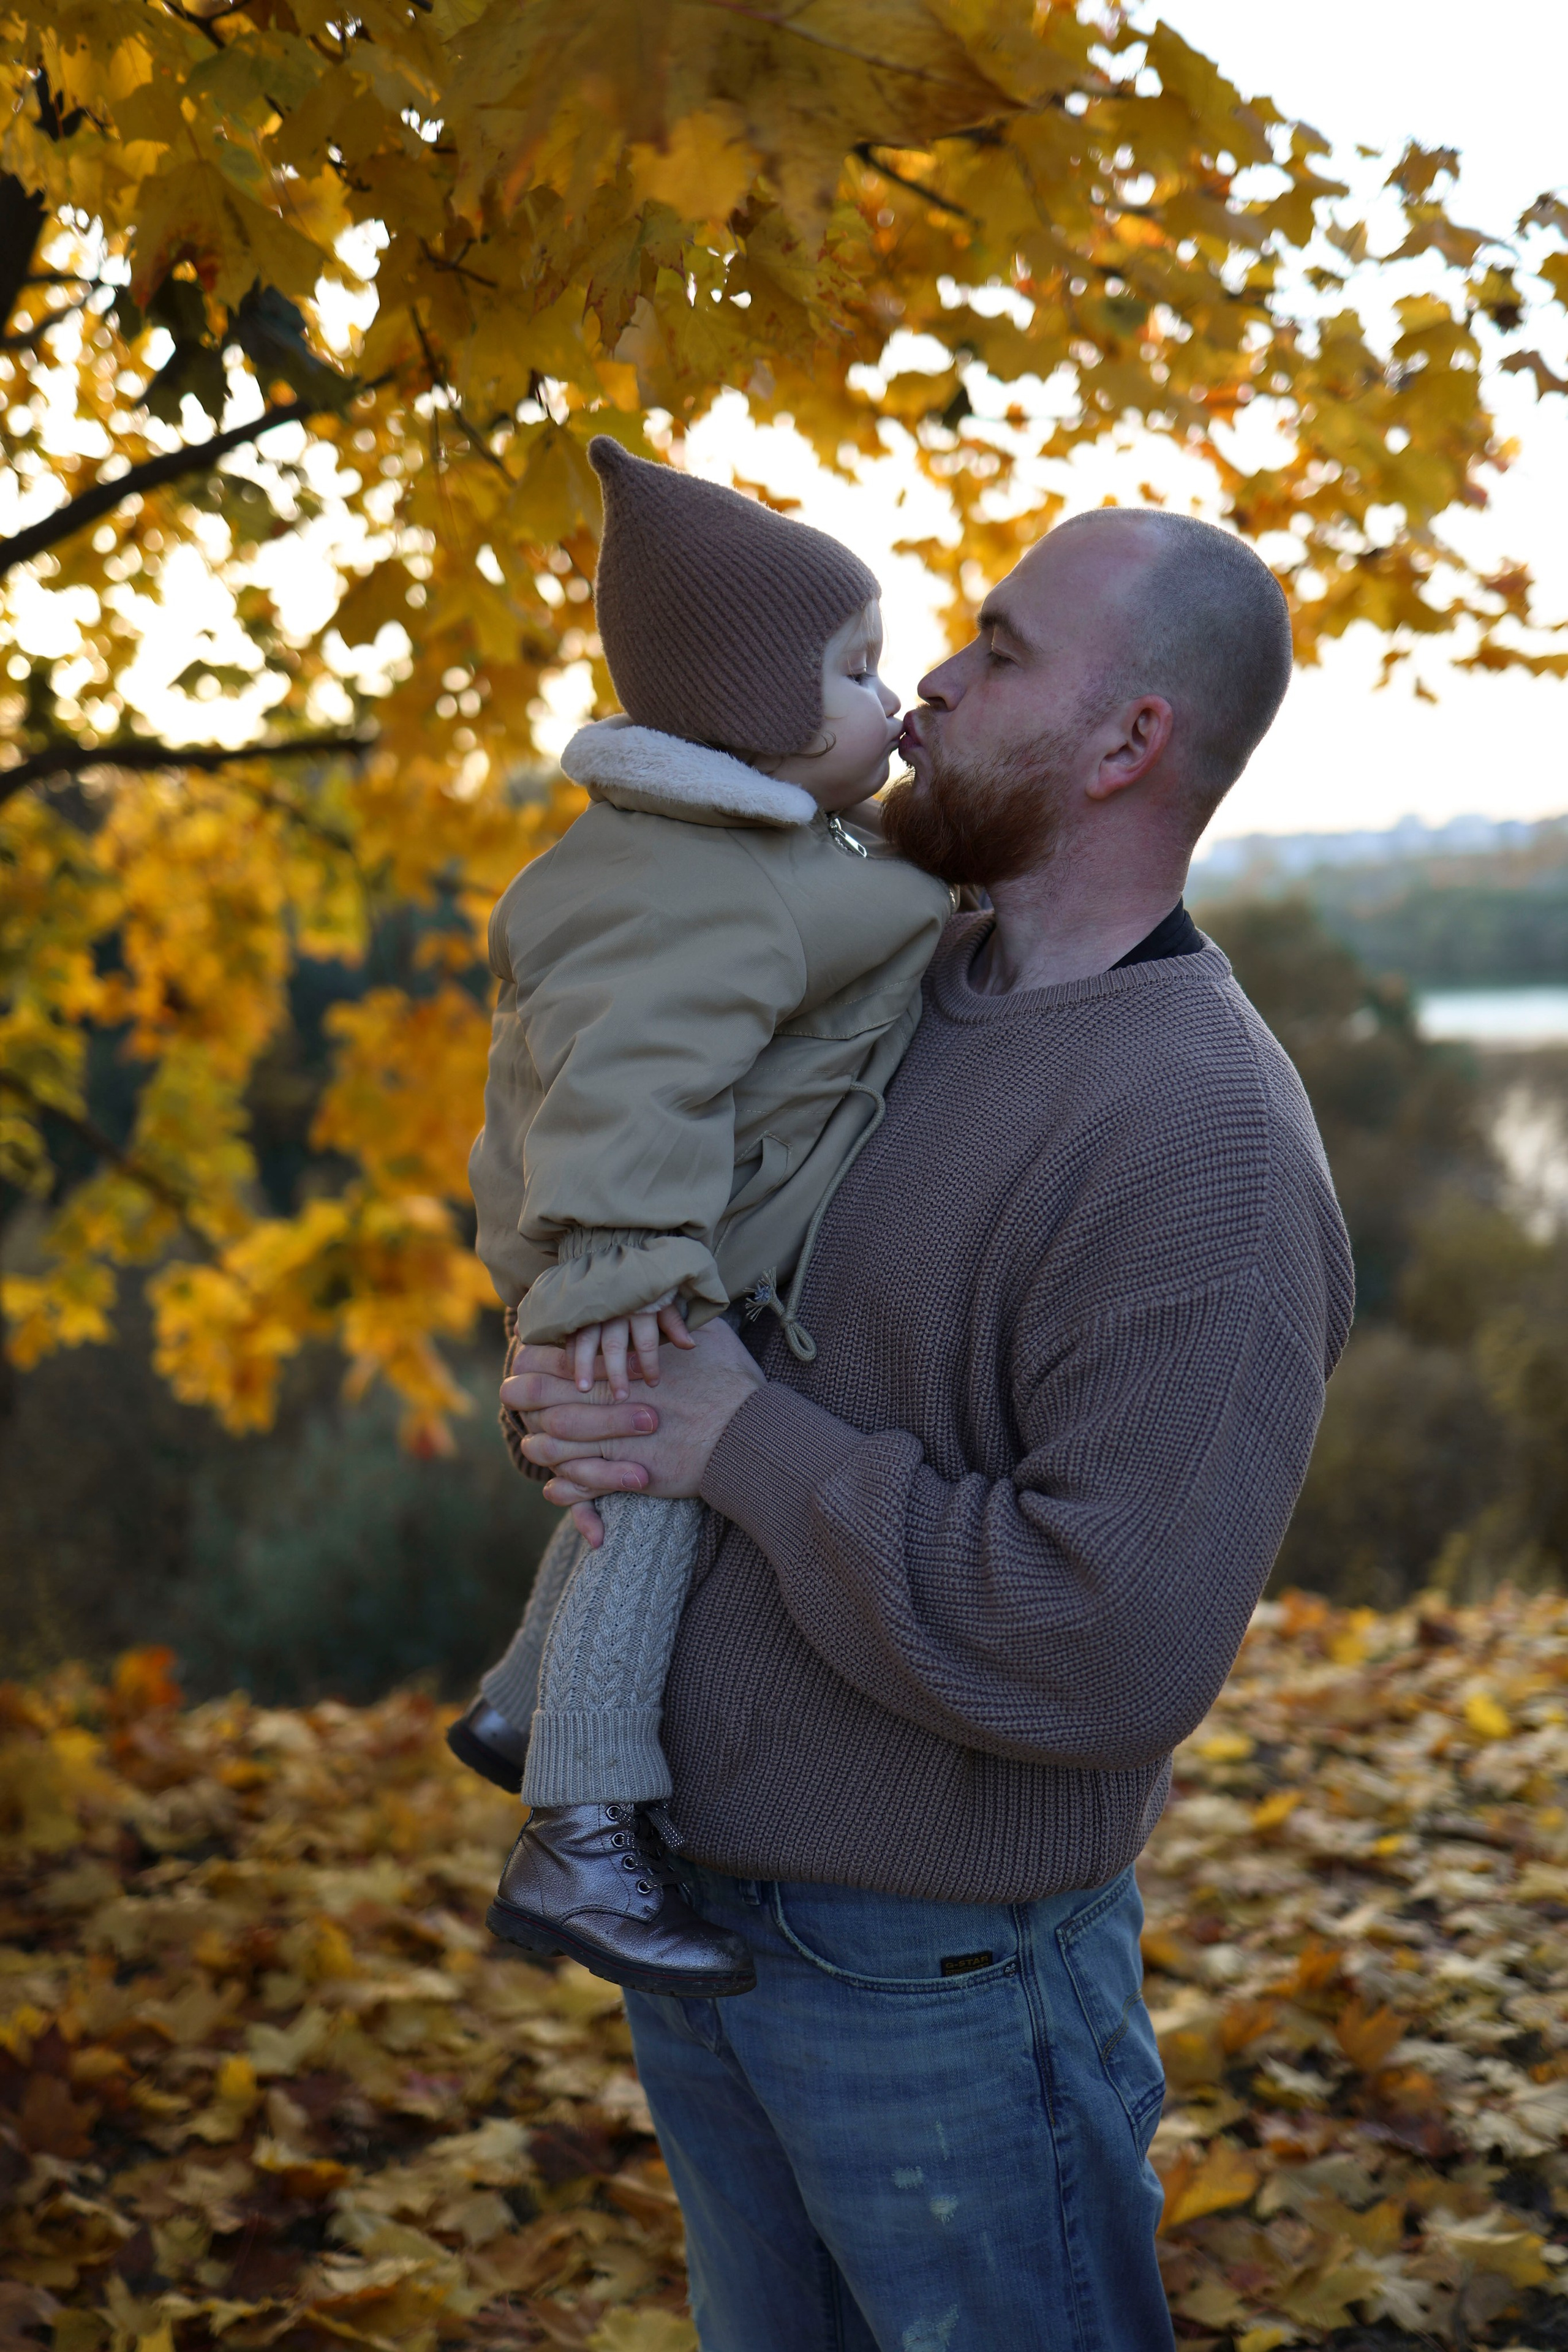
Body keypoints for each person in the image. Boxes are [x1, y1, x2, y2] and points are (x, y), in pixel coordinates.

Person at [498, 507, 1356, 2351]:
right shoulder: (891, 993)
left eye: (996, 648)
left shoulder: (1201, 1139)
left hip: (939, 1990)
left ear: (1128, 744)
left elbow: (1107, 1639)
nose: (934, 687)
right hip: (703, 1923)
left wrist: (740, 1441)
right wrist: (596, 1389)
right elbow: (685, 1280)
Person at [460, 438, 952, 1999]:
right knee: (652, 1508)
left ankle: (522, 1700)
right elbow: (620, 1082)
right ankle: (579, 1830)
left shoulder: (737, 856)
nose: (894, 702)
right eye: (856, 673)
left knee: (621, 1483)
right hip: (651, 1259)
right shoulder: (687, 887)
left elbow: (857, 914)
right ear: (749, 711)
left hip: (655, 1249)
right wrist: (617, 1279)